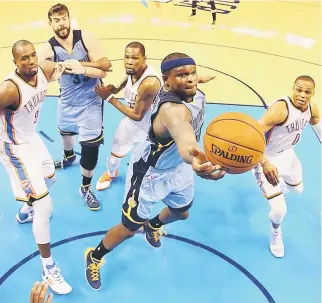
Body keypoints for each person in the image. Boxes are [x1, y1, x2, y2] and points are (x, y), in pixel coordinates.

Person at [84, 52, 226, 290]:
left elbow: (188, 80)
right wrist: (197, 161)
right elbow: (185, 137)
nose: (190, 79)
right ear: (166, 81)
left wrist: (197, 77)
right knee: (129, 229)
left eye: (193, 73)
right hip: (150, 173)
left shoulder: (193, 91)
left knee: (181, 213)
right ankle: (95, 256)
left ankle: (154, 224)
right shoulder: (172, 110)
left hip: (178, 170)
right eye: (182, 75)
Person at [0, 40, 71, 294]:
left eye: (33, 56)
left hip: (32, 139)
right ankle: (48, 267)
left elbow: (55, 71)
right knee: (45, 205)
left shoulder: (41, 71)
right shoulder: (9, 90)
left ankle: (25, 211)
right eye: (24, 59)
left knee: (49, 179)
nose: (30, 61)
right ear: (15, 63)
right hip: (15, 148)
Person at [38, 3, 111, 210]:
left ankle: (86, 187)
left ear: (69, 19)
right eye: (56, 21)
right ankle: (68, 157)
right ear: (50, 23)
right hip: (67, 101)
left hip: (91, 102)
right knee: (66, 134)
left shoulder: (85, 37)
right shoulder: (48, 48)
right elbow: (43, 74)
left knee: (90, 147)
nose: (61, 24)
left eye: (63, 19)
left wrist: (83, 67)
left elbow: (104, 69)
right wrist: (54, 73)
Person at [253, 75, 321, 258]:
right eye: (298, 90)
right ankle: (276, 235)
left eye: (307, 92)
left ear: (313, 94)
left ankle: (277, 189)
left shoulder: (311, 108)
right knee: (279, 209)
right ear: (293, 88)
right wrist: (264, 163)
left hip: (288, 155)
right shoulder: (280, 110)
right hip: (267, 159)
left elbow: (319, 129)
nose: (302, 95)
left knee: (298, 190)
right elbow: (252, 136)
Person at [94, 41, 162, 191]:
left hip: (152, 128)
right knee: (114, 157)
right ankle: (111, 174)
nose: (129, 62)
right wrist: (117, 88)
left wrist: (109, 97)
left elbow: (137, 115)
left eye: (135, 58)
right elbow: (128, 79)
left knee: (151, 163)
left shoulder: (150, 83)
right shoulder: (133, 71)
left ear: (144, 59)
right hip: (131, 124)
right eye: (127, 57)